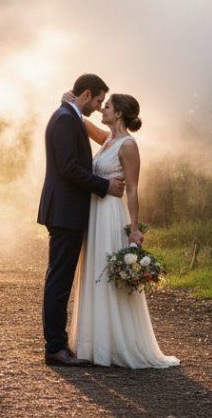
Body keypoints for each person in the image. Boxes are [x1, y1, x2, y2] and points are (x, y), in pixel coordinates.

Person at [67, 93, 179, 368]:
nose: (101, 110)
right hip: (95, 212)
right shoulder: (107, 140)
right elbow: (81, 122)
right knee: (94, 271)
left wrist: (134, 230)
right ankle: (94, 343)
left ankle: (116, 344)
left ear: (118, 114)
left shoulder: (128, 145)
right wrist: (71, 102)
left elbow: (132, 189)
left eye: (106, 106)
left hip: (111, 215)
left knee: (107, 276)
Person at [38, 74, 126, 367]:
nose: (100, 107)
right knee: (59, 280)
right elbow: (68, 168)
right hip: (64, 212)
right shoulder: (65, 118)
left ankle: (58, 344)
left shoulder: (69, 116)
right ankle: (55, 347)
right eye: (99, 100)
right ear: (87, 95)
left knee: (60, 277)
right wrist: (104, 186)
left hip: (67, 211)